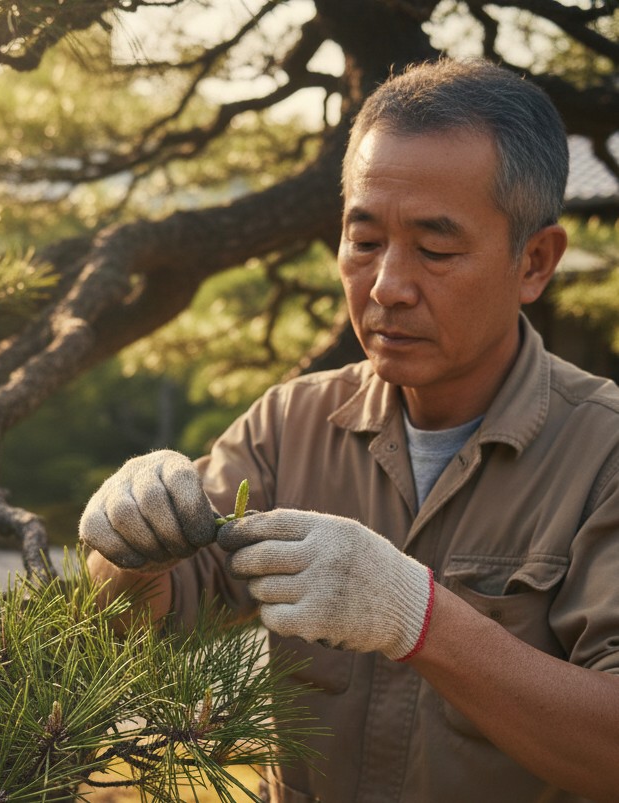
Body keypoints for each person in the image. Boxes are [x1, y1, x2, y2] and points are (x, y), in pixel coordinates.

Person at [79, 58, 619, 803]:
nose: (387, 286)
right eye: (363, 241)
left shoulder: (603, 456)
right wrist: (124, 546)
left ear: (534, 261)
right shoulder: (289, 425)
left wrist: (419, 617)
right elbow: (148, 618)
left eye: (435, 249)